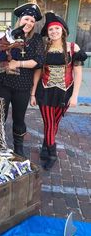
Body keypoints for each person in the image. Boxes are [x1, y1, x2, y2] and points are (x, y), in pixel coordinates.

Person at [30, 12, 88, 170]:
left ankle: (44, 146)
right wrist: (33, 93)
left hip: (65, 93)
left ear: (62, 30)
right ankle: (52, 153)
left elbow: (78, 72)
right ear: (47, 33)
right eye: (50, 29)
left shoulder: (72, 47)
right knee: (49, 123)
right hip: (45, 92)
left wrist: (75, 96)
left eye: (57, 28)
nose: (54, 31)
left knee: (54, 124)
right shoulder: (44, 49)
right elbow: (38, 72)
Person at [0, 3, 44, 157]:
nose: (29, 23)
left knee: (19, 118)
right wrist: (2, 57)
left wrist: (18, 63)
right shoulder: (7, 35)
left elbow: (38, 61)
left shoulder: (36, 39)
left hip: (23, 86)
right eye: (27, 19)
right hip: (3, 84)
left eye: (32, 21)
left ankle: (18, 148)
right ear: (20, 19)